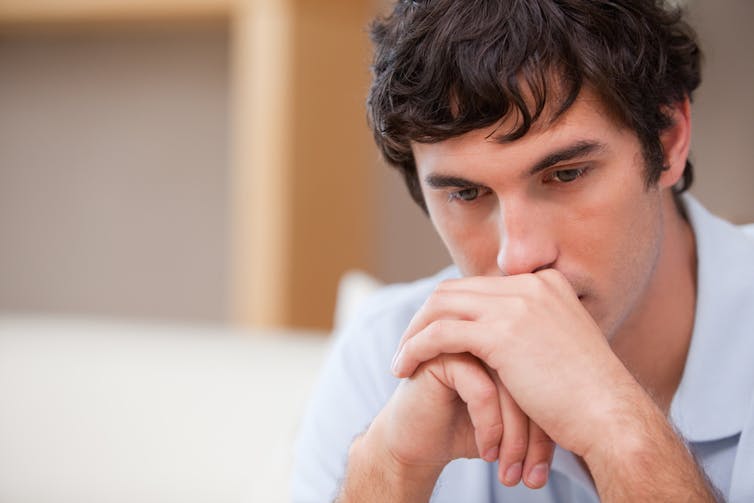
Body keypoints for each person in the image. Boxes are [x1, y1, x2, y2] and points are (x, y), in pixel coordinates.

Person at [292, 0, 754, 501]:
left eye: (566, 174)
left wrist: (620, 431)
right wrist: (393, 469)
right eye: (466, 194)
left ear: (669, 139)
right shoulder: (383, 353)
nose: (519, 258)